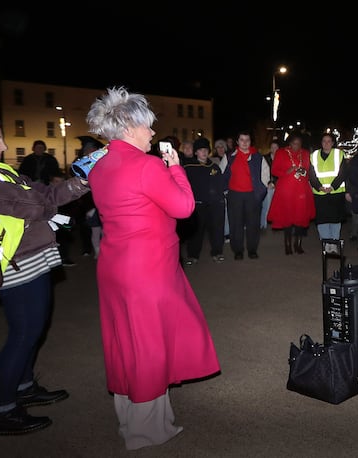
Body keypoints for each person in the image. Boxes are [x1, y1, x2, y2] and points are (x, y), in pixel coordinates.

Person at [84, 87, 220, 450]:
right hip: (147, 269)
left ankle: (130, 418)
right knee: (148, 345)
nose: (151, 133)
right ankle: (145, 431)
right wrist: (175, 167)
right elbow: (184, 207)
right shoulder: (146, 165)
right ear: (129, 127)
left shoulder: (98, 166)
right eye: (147, 127)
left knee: (124, 342)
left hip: (114, 266)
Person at [0, 111, 89, 437]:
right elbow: (33, 203)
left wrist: (79, 183)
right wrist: (57, 194)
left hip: (30, 259)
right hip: (13, 266)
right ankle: (1, 410)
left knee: (34, 328)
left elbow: (42, 194)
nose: (3, 146)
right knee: (24, 333)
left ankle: (24, 386)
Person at [267, 132, 316, 255]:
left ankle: (298, 244)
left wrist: (304, 172)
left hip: (301, 190)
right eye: (294, 143)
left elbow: (308, 169)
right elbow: (274, 170)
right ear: (289, 143)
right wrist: (287, 171)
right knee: (287, 218)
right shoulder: (281, 152)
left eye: (299, 144)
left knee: (300, 218)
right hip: (286, 190)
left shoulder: (305, 153)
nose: (296, 146)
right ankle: (287, 245)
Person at [222, 131, 267, 260]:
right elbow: (221, 175)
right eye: (242, 139)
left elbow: (265, 174)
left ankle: (252, 249)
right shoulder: (229, 156)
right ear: (237, 141)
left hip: (252, 195)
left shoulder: (258, 157)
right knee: (236, 224)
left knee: (253, 224)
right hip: (234, 195)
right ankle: (238, 250)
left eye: (247, 140)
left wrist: (261, 191)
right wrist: (226, 192)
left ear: (250, 141)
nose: (245, 142)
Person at [181, 137, 227, 264]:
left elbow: (220, 184)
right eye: (201, 150)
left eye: (206, 149)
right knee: (196, 231)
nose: (204, 152)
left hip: (215, 204)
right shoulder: (188, 167)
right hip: (197, 204)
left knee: (217, 229)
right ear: (196, 152)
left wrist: (221, 200)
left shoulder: (214, 167)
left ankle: (217, 252)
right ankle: (193, 255)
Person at [309, 132, 349, 246]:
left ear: (332, 143)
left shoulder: (339, 154)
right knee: (322, 221)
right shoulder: (314, 156)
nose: (326, 143)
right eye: (324, 141)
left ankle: (334, 243)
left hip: (336, 193)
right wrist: (319, 186)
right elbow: (311, 174)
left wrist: (332, 187)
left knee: (335, 220)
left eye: (329, 141)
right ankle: (326, 244)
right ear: (321, 143)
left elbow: (343, 173)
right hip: (319, 194)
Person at [260, 139, 279, 230]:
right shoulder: (265, 158)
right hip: (268, 184)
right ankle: (263, 223)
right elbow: (263, 172)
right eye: (272, 147)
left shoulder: (281, 158)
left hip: (278, 185)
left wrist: (275, 183)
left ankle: (277, 222)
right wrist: (269, 183)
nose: (274, 149)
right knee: (266, 204)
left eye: (276, 147)